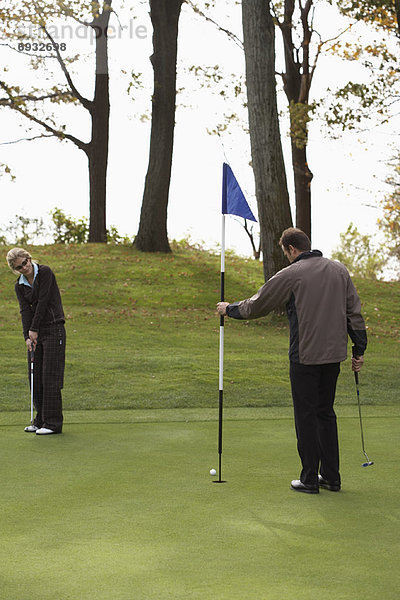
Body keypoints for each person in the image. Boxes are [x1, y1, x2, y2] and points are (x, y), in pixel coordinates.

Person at [217, 227, 367, 494]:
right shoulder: (339, 270)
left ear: (291, 249)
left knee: (306, 416)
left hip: (305, 357)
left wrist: (229, 309)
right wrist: (359, 349)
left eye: (285, 252)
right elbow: (353, 312)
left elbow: (259, 303)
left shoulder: (292, 273)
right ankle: (331, 477)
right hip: (333, 357)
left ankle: (309, 479)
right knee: (325, 413)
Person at [7, 248, 66, 435]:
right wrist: (27, 335)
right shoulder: (20, 285)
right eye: (19, 267)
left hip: (54, 328)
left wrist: (34, 329)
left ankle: (53, 423)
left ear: (28, 258)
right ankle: (40, 420)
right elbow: (25, 310)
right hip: (35, 332)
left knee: (50, 376)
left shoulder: (45, 272)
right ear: (15, 269)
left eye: (25, 262)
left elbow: (43, 301)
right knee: (35, 377)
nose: (24, 268)